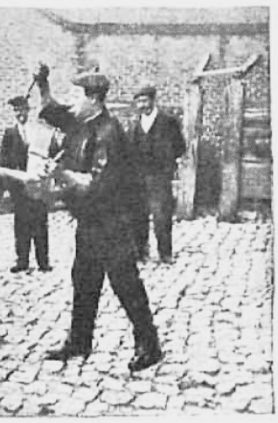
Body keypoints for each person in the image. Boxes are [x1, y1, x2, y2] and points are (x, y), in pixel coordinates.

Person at [33, 63, 162, 372]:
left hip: (113, 221)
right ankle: (79, 340)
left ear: (93, 98)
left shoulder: (109, 132)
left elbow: (96, 183)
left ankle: (149, 345)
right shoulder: (80, 119)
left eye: (75, 95)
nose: (70, 101)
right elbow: (51, 109)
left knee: (126, 283)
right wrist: (43, 83)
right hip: (90, 220)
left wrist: (60, 173)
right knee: (84, 280)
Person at [130, 85, 186, 264]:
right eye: (138, 101)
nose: (142, 105)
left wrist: (167, 164)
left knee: (161, 216)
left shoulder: (168, 122)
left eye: (145, 101)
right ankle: (141, 252)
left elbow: (180, 147)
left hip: (160, 176)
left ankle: (165, 253)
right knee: (138, 215)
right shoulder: (134, 124)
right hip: (138, 177)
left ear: (153, 101)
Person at [0, 95, 53, 273]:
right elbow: (4, 162)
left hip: (37, 184)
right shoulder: (10, 133)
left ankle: (43, 261)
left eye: (22, 110)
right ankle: (22, 261)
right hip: (19, 186)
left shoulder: (38, 132)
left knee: (40, 223)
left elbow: (50, 152)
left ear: (28, 111)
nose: (20, 114)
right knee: (21, 224)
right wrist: (8, 185)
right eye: (16, 111)